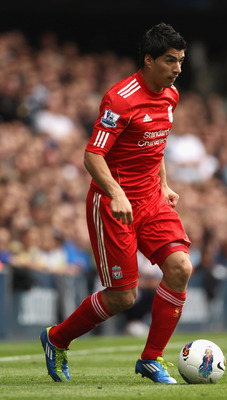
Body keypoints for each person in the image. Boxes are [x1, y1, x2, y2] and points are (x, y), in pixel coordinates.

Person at [40, 22, 192, 384]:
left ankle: (151, 359)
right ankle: (56, 338)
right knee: (123, 297)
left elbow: (156, 145)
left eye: (181, 61)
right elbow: (93, 155)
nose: (177, 69)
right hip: (113, 203)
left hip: (151, 199)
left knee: (181, 268)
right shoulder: (120, 98)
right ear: (148, 60)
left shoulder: (170, 95)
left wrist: (165, 185)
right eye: (171, 61)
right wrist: (117, 193)